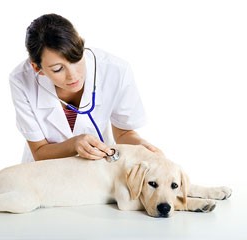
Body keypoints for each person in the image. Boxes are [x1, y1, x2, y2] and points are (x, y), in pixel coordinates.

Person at [9, 13, 160, 163]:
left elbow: (123, 133)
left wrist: (141, 147)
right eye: (57, 69)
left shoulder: (115, 70)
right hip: (45, 172)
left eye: (76, 59)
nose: (73, 75)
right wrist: (74, 144)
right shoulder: (21, 80)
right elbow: (39, 151)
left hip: (97, 168)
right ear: (37, 68)